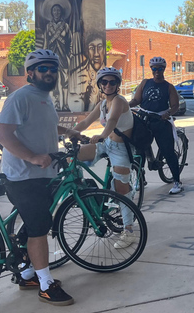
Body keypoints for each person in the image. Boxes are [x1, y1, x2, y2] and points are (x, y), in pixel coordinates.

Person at [0, 50, 79, 305]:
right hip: (24, 176)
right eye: (43, 69)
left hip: (41, 174)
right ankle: (45, 284)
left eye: (53, 69)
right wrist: (32, 157)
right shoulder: (20, 97)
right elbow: (2, 134)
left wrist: (71, 131)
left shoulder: (44, 97)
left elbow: (47, 125)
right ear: (31, 73)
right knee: (40, 229)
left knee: (36, 224)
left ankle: (28, 273)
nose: (49, 73)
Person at [72, 67, 139, 249]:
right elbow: (86, 122)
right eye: (104, 82)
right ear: (99, 84)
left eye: (112, 82)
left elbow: (112, 121)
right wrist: (71, 133)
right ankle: (82, 192)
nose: (108, 85)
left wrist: (101, 135)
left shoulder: (119, 101)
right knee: (72, 156)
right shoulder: (102, 104)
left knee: (121, 190)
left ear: (118, 84)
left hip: (121, 149)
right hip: (106, 144)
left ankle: (129, 231)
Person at [129, 56, 183, 194]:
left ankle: (177, 181)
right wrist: (124, 105)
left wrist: (168, 113)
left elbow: (175, 105)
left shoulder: (168, 87)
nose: (157, 71)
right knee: (139, 151)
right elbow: (136, 100)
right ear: (151, 69)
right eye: (154, 68)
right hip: (144, 119)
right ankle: (141, 179)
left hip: (160, 121)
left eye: (160, 69)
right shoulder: (145, 83)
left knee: (167, 151)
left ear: (164, 69)